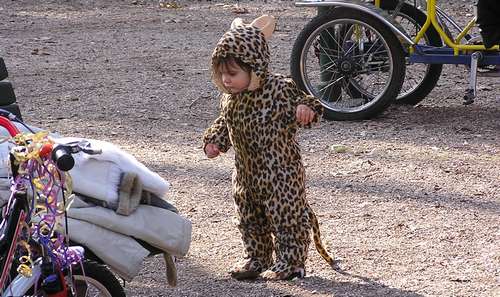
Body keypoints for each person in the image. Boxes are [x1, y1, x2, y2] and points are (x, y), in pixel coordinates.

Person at [203, 15, 336, 280]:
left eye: (233, 73)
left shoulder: (278, 89)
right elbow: (224, 122)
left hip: (280, 173)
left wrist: (305, 109)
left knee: (286, 215)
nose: (226, 80)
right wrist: (214, 140)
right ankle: (257, 257)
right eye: (222, 74)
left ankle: (291, 262)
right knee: (250, 216)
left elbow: (310, 102)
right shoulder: (230, 100)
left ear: (254, 67)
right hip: (246, 173)